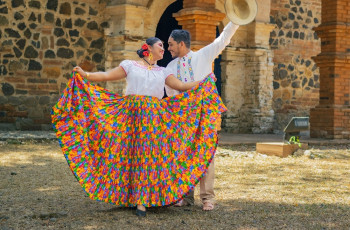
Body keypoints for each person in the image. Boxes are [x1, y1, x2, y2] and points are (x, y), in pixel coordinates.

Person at [51, 37, 227, 217]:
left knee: (148, 158)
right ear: (148, 48)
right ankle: (132, 197)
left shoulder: (163, 71)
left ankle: (144, 200)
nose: (164, 49)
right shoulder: (130, 65)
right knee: (130, 157)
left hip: (153, 120)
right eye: (160, 45)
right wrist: (85, 75)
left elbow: (181, 86)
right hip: (131, 118)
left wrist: (203, 82)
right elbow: (106, 75)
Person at [165, 22, 239, 211]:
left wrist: (235, 20)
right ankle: (185, 196)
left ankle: (207, 198)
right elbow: (171, 92)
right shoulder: (170, 66)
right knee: (183, 154)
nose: (169, 48)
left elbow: (223, 39)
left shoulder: (203, 55)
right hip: (183, 117)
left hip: (205, 115)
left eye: (171, 44)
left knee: (206, 154)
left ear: (182, 44)